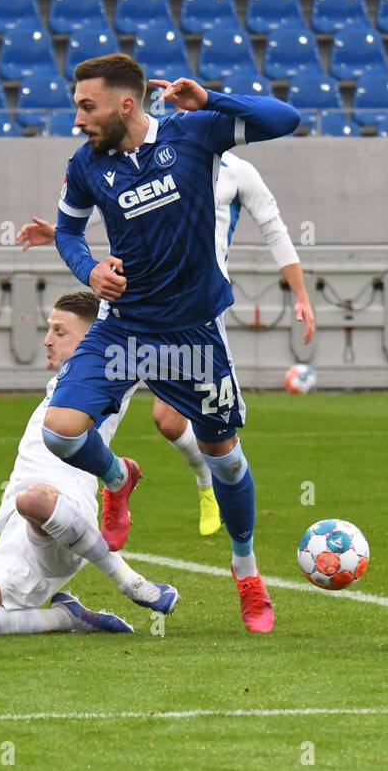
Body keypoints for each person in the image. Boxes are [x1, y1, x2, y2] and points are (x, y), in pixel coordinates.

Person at [41, 53, 300, 633]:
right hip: (125, 328)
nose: (79, 118)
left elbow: (286, 117)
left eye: (88, 106)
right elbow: (66, 230)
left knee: (226, 462)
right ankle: (117, 477)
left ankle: (246, 570)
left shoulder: (192, 133)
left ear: (125, 104)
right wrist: (89, 270)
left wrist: (212, 99)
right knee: (59, 431)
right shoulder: (85, 166)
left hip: (193, 333)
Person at [16, 150, 315, 538]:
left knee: (170, 420)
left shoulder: (238, 171)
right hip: (133, 312)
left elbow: (274, 229)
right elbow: (115, 215)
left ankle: (206, 485)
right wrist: (59, 235)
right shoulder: (156, 162)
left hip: (195, 315)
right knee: (76, 418)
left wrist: (302, 295)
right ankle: (114, 480)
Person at [0, 291, 179, 638]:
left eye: (59, 332)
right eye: (48, 330)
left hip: (61, 508)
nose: (47, 341)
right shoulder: (64, 387)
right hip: (19, 536)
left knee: (31, 499)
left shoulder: (109, 374)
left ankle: (131, 582)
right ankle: (67, 618)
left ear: (94, 338)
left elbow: (148, 336)